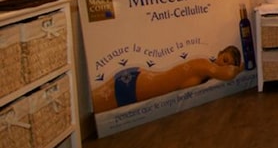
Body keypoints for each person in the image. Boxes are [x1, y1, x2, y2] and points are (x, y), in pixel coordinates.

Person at [91, 46, 243, 113]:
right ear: (219, 53)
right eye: (224, 60)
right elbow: (228, 74)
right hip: (133, 84)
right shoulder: (205, 65)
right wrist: (244, 65)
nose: (223, 65)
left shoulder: (207, 74)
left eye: (228, 64)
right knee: (88, 109)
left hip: (137, 83)